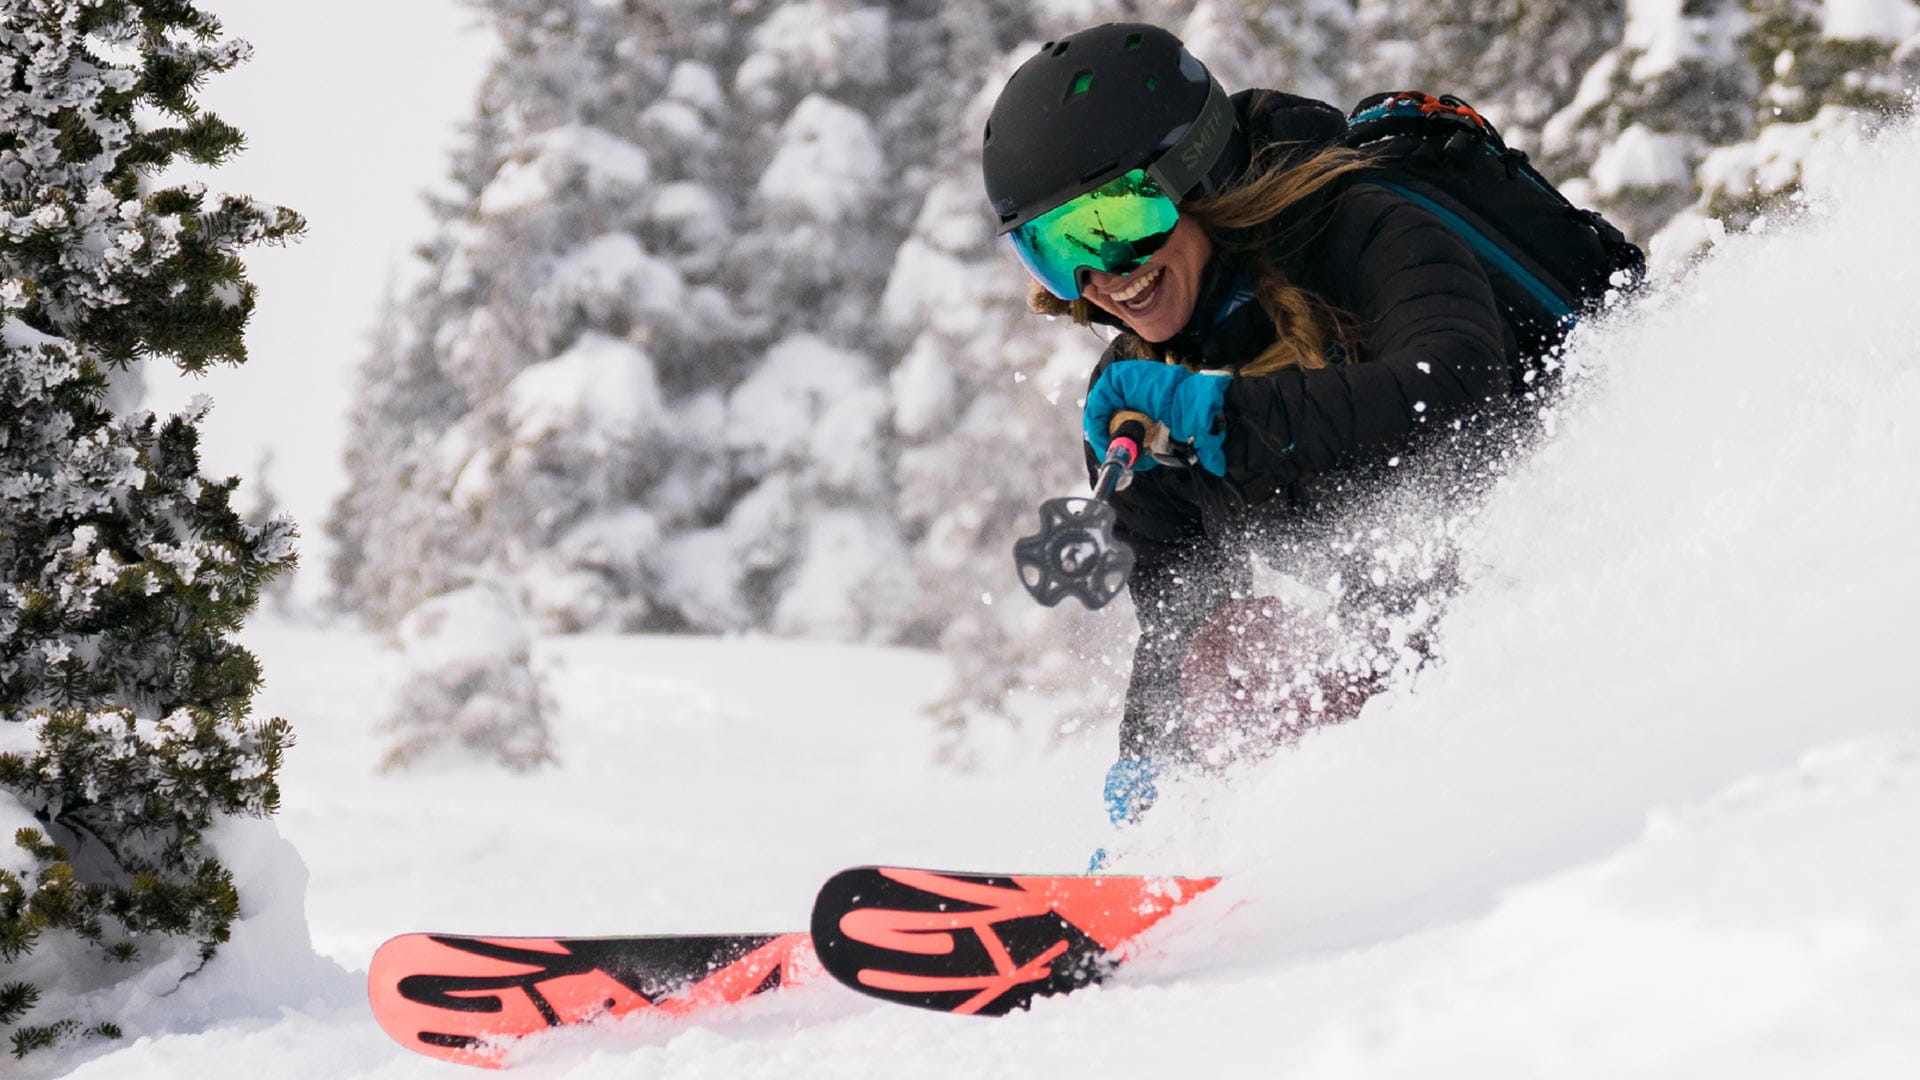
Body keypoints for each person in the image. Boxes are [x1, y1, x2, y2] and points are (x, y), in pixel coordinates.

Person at [983, 23, 1562, 824]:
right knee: (1230, 643)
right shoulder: (1142, 389)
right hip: (1409, 635)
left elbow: (1455, 397)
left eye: (1122, 216)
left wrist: (1220, 416)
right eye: (1058, 245)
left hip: (1563, 557)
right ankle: (1284, 850)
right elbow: (1181, 611)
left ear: (1198, 174)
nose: (1104, 274)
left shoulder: (1368, 229)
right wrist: (1148, 798)